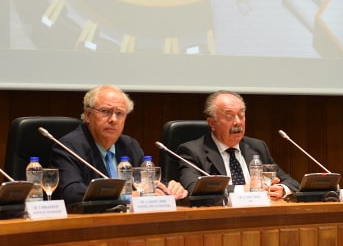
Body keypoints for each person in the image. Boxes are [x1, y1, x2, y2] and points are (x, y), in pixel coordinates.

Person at [51, 84, 188, 204]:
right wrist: (124, 197)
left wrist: (168, 187)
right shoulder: (69, 146)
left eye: (119, 113)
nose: (113, 119)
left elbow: (148, 181)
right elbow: (71, 192)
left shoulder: (129, 145)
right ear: (88, 115)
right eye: (105, 111)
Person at [176, 90, 299, 200]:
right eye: (229, 116)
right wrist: (244, 190)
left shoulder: (257, 147)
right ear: (212, 123)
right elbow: (193, 189)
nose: (238, 122)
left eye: (241, 115)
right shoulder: (192, 151)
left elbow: (291, 182)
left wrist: (281, 189)